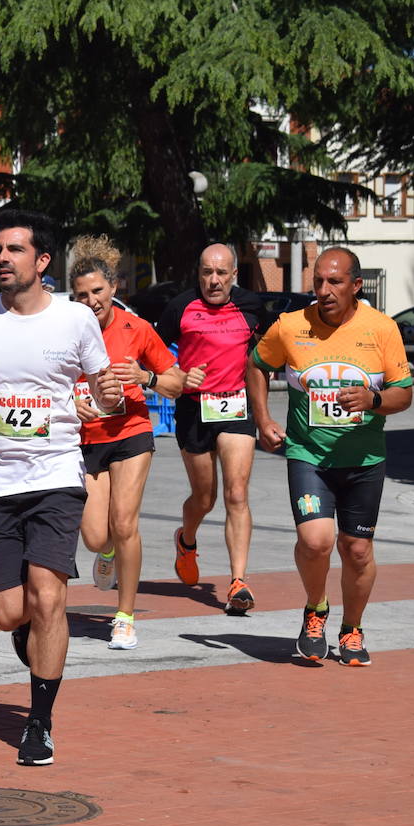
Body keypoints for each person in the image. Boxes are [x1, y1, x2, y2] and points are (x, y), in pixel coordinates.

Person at [0, 208, 121, 766]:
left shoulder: (75, 321)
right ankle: (30, 637)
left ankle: (39, 722)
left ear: (42, 261)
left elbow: (105, 397)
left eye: (14, 250)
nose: (2, 259)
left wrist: (109, 395)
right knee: (9, 612)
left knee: (49, 596)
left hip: (57, 476)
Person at [248, 248, 413, 666]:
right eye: (318, 281)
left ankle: (352, 627)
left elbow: (404, 394)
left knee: (357, 550)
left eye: (334, 282)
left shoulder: (382, 328)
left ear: (356, 286)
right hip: (309, 456)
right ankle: (315, 608)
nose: (324, 290)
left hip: (364, 459)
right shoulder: (290, 326)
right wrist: (263, 417)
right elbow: (256, 365)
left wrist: (373, 398)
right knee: (315, 540)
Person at [68, 236, 185, 650]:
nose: (91, 301)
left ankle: (124, 616)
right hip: (86, 440)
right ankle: (108, 555)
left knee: (124, 522)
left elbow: (177, 383)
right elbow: (46, 384)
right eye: (82, 295)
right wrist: (71, 403)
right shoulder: (65, 330)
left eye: (98, 291)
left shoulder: (137, 329)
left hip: (131, 432)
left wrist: (145, 378)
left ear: (114, 288)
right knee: (96, 536)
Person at [156, 244, 264, 614]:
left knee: (237, 494)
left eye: (221, 273)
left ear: (234, 274)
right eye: (206, 273)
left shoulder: (252, 307)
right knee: (205, 498)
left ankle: (238, 582)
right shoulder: (180, 307)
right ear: (198, 274)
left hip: (234, 406)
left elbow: (267, 355)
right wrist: (180, 376)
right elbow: (153, 355)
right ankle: (186, 541)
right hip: (193, 407)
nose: (213, 280)